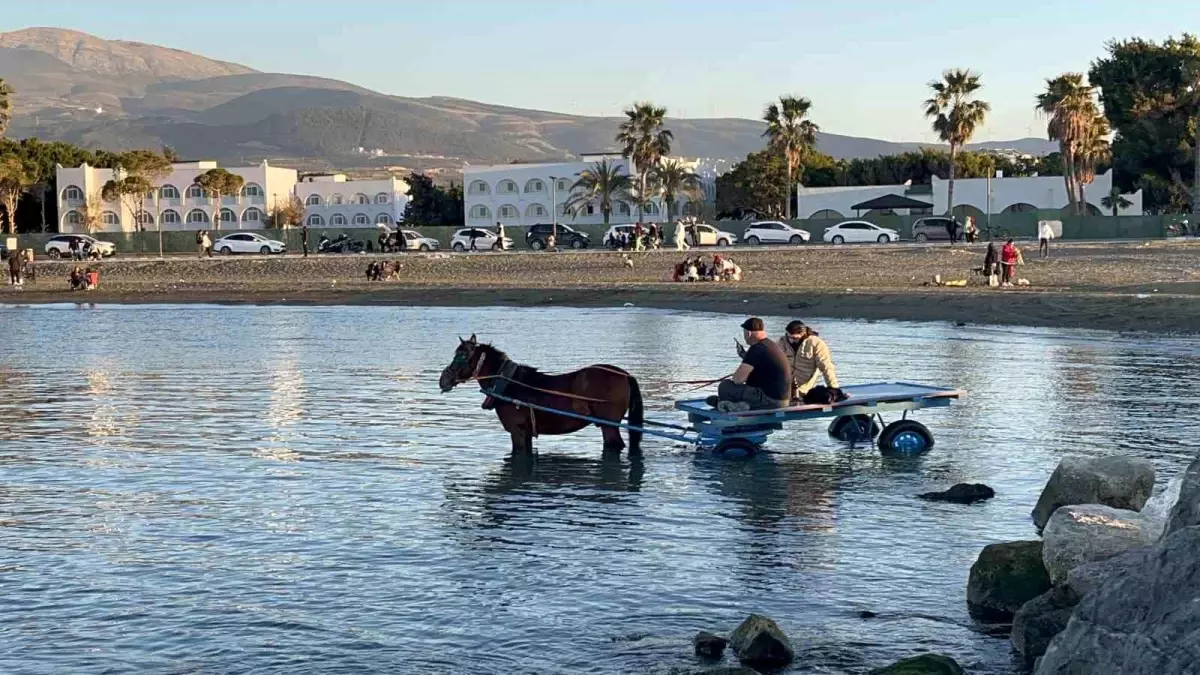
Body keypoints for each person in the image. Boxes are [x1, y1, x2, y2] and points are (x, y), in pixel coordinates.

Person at [709, 317, 791, 411]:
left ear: (748, 333)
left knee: (725, 386)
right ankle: (734, 404)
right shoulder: (771, 345)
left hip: (768, 401)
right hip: (783, 401)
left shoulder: (756, 349)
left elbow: (738, 379)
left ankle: (729, 405)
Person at [777, 320, 839, 401]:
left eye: (795, 338)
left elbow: (826, 366)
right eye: (789, 337)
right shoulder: (781, 342)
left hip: (805, 389)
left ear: (803, 334)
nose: (792, 340)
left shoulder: (816, 343)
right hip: (784, 387)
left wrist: (834, 388)